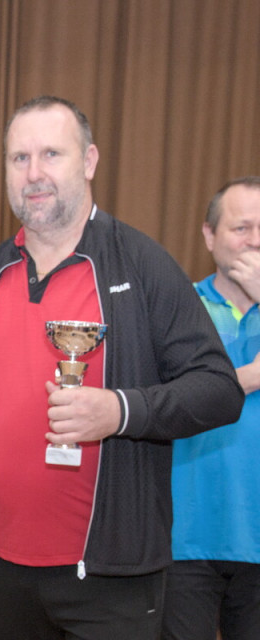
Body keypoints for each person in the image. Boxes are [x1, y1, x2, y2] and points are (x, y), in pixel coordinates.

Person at [0, 96, 244, 639]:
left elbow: (218, 389)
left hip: (113, 579)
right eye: (19, 158)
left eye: (51, 154)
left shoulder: (142, 265)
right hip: (4, 568)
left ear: (88, 161)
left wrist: (120, 410)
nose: (33, 173)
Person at [162, 176, 260, 640]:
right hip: (186, 541)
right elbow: (164, 400)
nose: (255, 240)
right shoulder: (178, 308)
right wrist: (249, 377)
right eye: (242, 228)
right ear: (209, 235)